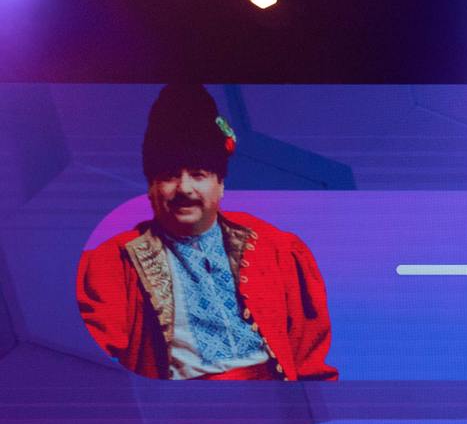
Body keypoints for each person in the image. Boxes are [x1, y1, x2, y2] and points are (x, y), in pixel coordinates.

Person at [75, 83, 337, 380]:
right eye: (170, 176)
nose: (184, 188)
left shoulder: (275, 247)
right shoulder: (115, 261)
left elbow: (311, 363)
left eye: (198, 174)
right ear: (150, 187)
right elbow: (86, 362)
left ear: (220, 184)